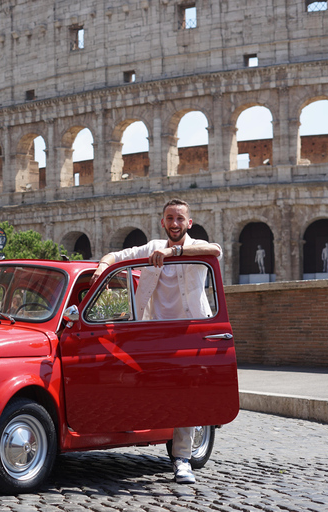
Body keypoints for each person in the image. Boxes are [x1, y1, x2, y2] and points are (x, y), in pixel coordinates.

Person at [91, 198, 222, 485]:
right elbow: (117, 255)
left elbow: (215, 250)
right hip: (153, 333)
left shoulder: (197, 247)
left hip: (191, 331)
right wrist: (102, 266)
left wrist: (174, 251)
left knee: (185, 395)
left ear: (189, 223)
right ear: (162, 222)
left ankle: (183, 459)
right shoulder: (150, 248)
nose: (175, 223)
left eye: (180, 219)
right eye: (169, 218)